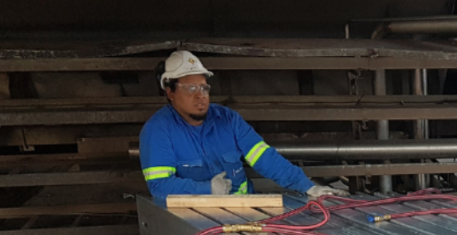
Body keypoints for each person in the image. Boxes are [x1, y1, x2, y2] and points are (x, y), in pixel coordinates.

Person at [139, 50, 347, 199]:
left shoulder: (228, 120)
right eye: (190, 88)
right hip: (194, 220)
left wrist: (308, 187)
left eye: (204, 88)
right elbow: (159, 186)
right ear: (170, 92)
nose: (200, 96)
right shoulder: (158, 130)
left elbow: (265, 157)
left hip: (244, 210)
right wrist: (206, 189)